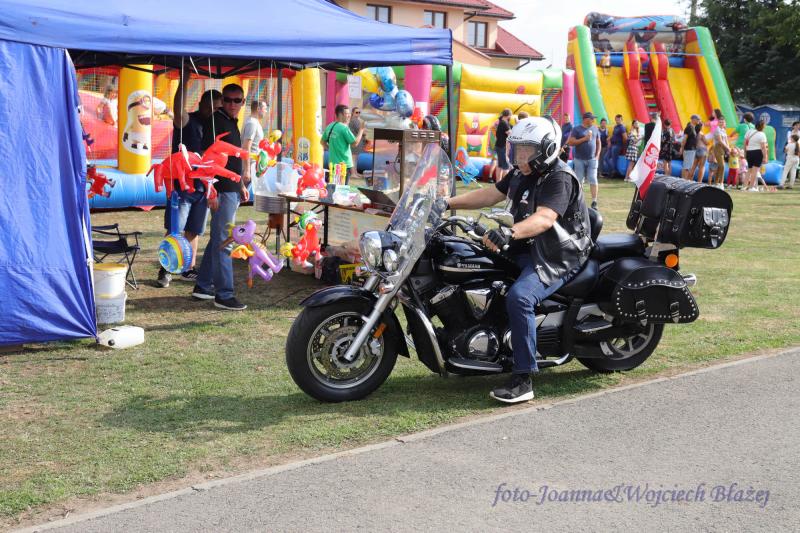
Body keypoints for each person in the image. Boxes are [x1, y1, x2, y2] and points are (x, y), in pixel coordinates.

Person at [445, 116, 591, 404]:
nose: (520, 156)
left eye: (527, 150)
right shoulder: (522, 172)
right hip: (527, 246)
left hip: (556, 255)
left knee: (520, 297)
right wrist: (446, 203)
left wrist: (509, 232)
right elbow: (491, 194)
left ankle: (523, 379)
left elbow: (545, 218)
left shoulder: (559, 177)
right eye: (518, 149)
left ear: (547, 149)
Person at [157, 69, 222, 288]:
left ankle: (188, 268)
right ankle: (166, 269)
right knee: (175, 228)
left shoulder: (216, 127)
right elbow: (178, 109)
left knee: (195, 230)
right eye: (210, 106)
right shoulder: (187, 121)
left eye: (217, 108)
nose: (213, 111)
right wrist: (184, 80)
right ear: (202, 103)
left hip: (203, 188)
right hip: (182, 188)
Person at [191, 83, 249, 311]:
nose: (232, 104)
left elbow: (232, 159)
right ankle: (224, 294)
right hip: (220, 190)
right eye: (228, 100)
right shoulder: (216, 121)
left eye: (237, 100)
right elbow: (206, 160)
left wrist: (240, 184)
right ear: (222, 101)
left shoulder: (231, 122)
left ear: (243, 102)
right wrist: (211, 191)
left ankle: (203, 285)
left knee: (219, 237)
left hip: (231, 188)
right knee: (224, 241)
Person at [321, 104, 365, 184]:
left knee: (334, 187)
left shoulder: (330, 126)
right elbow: (354, 143)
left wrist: (332, 149)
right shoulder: (344, 128)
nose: (349, 116)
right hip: (343, 165)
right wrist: (361, 129)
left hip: (333, 163)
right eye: (347, 114)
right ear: (340, 114)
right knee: (342, 189)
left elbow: (322, 142)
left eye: (349, 114)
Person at [567, 112, 601, 208]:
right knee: (579, 179)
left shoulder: (595, 128)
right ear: (586, 119)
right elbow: (570, 142)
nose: (593, 120)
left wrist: (597, 155)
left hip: (592, 159)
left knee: (593, 179)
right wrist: (584, 139)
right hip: (579, 159)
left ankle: (594, 201)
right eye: (592, 118)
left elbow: (598, 142)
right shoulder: (576, 129)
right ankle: (578, 201)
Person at [242, 99, 266, 180]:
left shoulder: (255, 122)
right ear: (258, 109)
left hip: (255, 166)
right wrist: (247, 170)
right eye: (265, 109)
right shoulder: (251, 123)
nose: (266, 111)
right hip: (251, 167)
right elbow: (246, 146)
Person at [743, 120, 769, 191]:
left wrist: (745, 152)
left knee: (749, 170)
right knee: (755, 171)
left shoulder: (749, 131)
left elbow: (744, 143)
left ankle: (744, 186)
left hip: (749, 152)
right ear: (763, 127)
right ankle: (751, 187)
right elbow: (763, 147)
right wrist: (765, 157)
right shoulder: (762, 134)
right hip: (757, 152)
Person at [710, 117, 730, 189]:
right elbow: (720, 141)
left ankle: (716, 183)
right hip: (718, 148)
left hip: (723, 148)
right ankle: (721, 183)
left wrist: (728, 148)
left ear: (725, 123)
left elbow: (726, 140)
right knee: (722, 166)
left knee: (720, 166)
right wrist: (727, 148)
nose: (721, 123)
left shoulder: (724, 130)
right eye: (720, 122)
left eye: (723, 122)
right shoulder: (717, 130)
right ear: (718, 123)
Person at [679, 115, 700, 180]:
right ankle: (684, 180)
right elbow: (684, 139)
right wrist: (682, 148)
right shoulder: (689, 127)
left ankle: (685, 180)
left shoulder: (693, 128)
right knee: (686, 167)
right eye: (698, 119)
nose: (699, 121)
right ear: (693, 119)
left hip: (691, 149)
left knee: (688, 167)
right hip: (689, 149)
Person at [494, 108, 513, 181]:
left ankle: (498, 182)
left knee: (500, 166)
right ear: (508, 115)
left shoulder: (503, 122)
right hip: (502, 146)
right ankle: (505, 183)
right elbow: (510, 134)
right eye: (510, 115)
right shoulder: (504, 123)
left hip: (499, 146)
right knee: (505, 166)